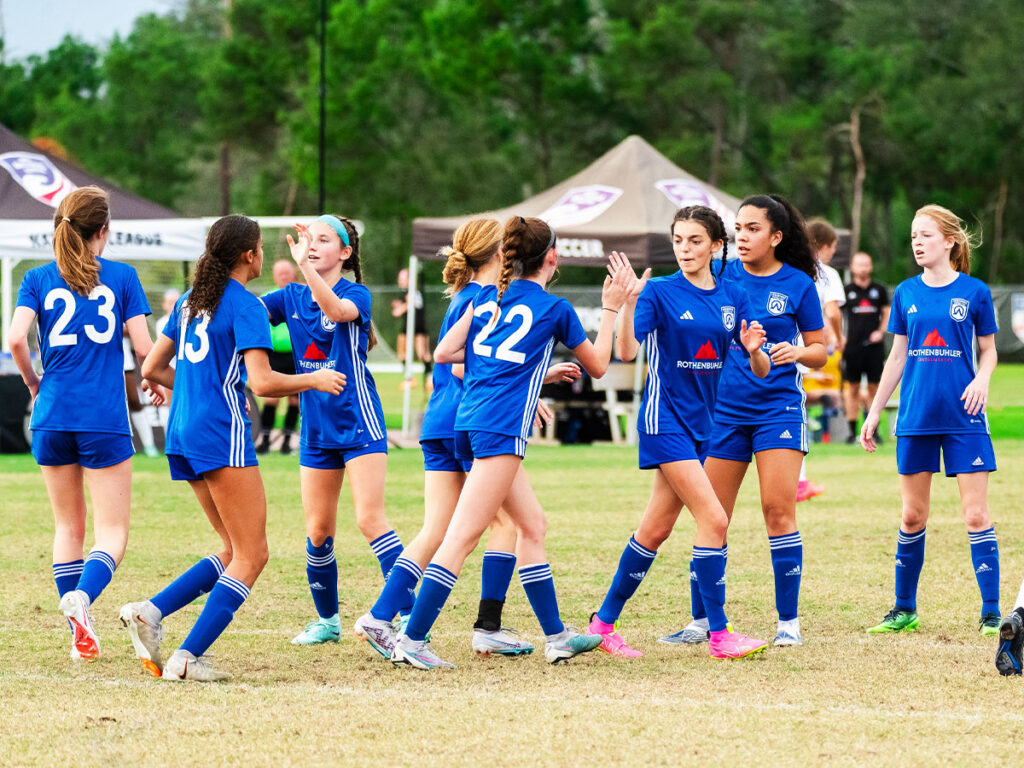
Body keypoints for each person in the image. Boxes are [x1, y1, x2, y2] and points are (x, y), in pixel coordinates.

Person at [389, 215, 633, 669]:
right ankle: (412, 640)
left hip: (469, 421)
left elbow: (444, 353)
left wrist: (517, 366)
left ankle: (557, 637)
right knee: (461, 538)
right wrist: (612, 306)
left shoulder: (486, 299)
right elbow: (599, 365)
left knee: (532, 525)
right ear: (552, 258)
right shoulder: (553, 308)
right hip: (498, 428)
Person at [121, 215, 345, 681]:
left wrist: (195, 391)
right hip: (220, 432)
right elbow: (261, 383)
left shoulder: (188, 301)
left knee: (231, 548)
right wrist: (316, 379)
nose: (263, 255)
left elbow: (152, 368)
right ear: (249, 255)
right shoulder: (246, 306)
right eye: (261, 247)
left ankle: (149, 613)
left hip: (183, 431)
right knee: (253, 554)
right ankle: (188, 657)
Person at [354, 219, 579, 660]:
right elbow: (466, 367)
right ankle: (484, 627)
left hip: (441, 421)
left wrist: (533, 378)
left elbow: (480, 360)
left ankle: (381, 617)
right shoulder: (483, 298)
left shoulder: (466, 297)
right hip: (471, 421)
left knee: (441, 530)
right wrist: (523, 385)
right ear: (500, 255)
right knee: (503, 526)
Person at [585, 206, 771, 660]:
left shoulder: (733, 297)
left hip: (703, 426)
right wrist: (629, 302)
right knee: (715, 520)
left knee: (655, 529)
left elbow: (760, 369)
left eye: (694, 241)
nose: (685, 249)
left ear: (716, 246)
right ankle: (720, 634)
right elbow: (626, 352)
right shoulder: (660, 292)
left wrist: (754, 350)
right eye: (678, 241)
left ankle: (602, 624)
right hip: (663, 419)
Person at [8, 185, 163, 661]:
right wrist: (159, 380)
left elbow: (15, 339)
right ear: (103, 230)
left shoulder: (36, 277)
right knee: (112, 533)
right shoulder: (122, 276)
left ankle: (78, 625)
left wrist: (35, 383)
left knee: (67, 528)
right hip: (102, 415)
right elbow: (143, 348)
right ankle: (84, 599)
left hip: (52, 414)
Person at [671, 195, 826, 648]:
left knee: (778, 511)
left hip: (777, 410)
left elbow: (820, 350)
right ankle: (701, 621)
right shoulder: (718, 278)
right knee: (712, 517)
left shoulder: (798, 284)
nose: (742, 236)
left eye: (753, 229)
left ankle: (788, 624)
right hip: (721, 413)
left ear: (776, 237)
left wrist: (797, 352)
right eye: (738, 228)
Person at [262, 216, 405, 646]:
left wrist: (303, 266)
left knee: (368, 519)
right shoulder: (287, 297)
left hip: (360, 422)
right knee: (318, 529)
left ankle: (408, 616)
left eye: (324, 240)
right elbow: (244, 314)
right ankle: (328, 622)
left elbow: (335, 311)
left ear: (345, 253)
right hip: (317, 430)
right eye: (310, 239)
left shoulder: (355, 293)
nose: (314, 245)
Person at [861, 205, 999, 637]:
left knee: (975, 515)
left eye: (925, 235)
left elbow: (990, 350)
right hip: (916, 417)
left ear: (949, 241)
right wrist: (873, 411)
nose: (917, 243)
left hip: (965, 417)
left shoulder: (975, 292)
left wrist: (982, 379)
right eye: (913, 237)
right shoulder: (905, 292)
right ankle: (904, 609)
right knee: (912, 516)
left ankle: (992, 614)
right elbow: (896, 357)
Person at [796, 219, 846, 501]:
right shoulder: (826, 273)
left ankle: (798, 480)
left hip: (784, 344)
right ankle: (799, 482)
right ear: (825, 247)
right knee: (795, 407)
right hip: (809, 345)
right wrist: (837, 337)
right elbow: (834, 313)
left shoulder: (790, 269)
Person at [843, 252, 890, 442]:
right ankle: (851, 433)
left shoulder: (879, 290)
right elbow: (834, 316)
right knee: (852, 388)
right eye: (859, 265)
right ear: (853, 268)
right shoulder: (846, 290)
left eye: (866, 264)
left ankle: (873, 432)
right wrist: (839, 337)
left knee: (874, 388)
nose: (863, 268)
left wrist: (881, 331)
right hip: (852, 346)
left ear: (870, 267)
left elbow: (887, 314)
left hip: (874, 348)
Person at [257, 260, 301, 455]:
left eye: (287, 273)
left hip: (297, 355)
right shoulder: (269, 298)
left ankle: (287, 442)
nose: (284, 276)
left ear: (293, 274)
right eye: (280, 273)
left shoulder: (301, 295)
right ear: (275, 276)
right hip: (275, 356)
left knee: (295, 400)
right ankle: (265, 440)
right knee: (270, 399)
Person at [392, 267, 432, 385]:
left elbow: (401, 309)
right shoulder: (408, 292)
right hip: (408, 326)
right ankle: (410, 378)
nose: (400, 281)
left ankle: (429, 379)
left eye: (403, 278)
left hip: (418, 326)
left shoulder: (411, 292)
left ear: (410, 279)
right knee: (402, 353)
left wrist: (400, 308)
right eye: (399, 278)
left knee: (422, 354)